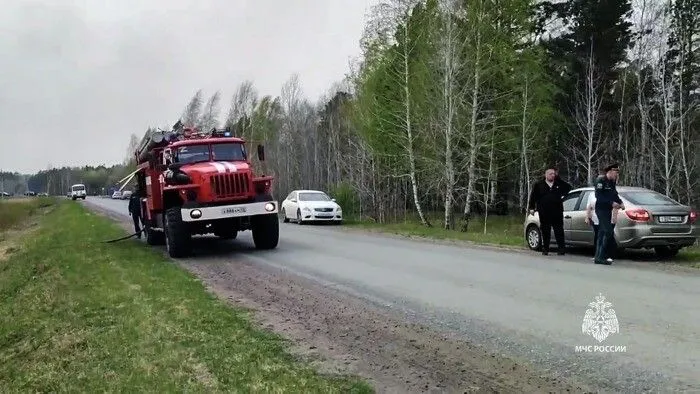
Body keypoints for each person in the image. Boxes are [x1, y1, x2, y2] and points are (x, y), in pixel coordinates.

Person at [528, 166, 573, 255]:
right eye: (550, 174)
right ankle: (546, 248)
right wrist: (532, 207)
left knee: (559, 230)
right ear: (546, 175)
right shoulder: (539, 185)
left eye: (554, 174)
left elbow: (568, 187)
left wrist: (558, 179)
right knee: (545, 230)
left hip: (557, 211)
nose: (552, 175)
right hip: (544, 211)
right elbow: (533, 196)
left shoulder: (558, 184)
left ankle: (561, 249)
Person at [593, 163, 624, 265]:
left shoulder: (612, 182)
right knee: (608, 231)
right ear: (610, 171)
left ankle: (598, 257)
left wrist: (620, 202)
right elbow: (599, 196)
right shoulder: (600, 181)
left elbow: (614, 194)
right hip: (601, 209)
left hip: (608, 210)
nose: (616, 175)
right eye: (615, 172)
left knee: (602, 233)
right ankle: (601, 256)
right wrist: (611, 203)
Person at [585, 190, 619, 263]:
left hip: (607, 218)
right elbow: (589, 206)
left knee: (608, 237)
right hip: (596, 218)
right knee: (598, 236)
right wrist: (587, 217)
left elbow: (616, 205)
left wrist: (614, 217)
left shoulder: (610, 192)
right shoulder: (592, 194)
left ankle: (609, 255)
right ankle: (598, 255)